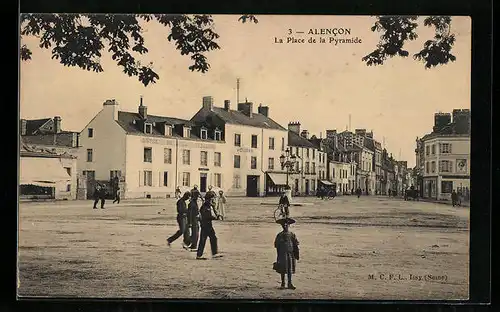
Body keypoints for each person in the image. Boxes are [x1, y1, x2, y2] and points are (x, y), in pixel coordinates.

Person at [273, 217, 300, 290]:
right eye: (283, 225)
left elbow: (296, 244)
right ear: (282, 226)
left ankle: (290, 283)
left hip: (290, 254)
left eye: (286, 225)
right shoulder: (280, 235)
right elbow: (276, 244)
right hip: (282, 254)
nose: (285, 226)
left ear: (289, 226)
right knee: (282, 268)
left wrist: (296, 253)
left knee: (290, 269)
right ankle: (283, 283)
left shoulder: (292, 234)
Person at [196, 193, 223, 260]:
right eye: (212, 198)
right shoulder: (205, 206)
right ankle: (199, 255)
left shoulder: (207, 205)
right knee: (203, 240)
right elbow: (207, 216)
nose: (213, 200)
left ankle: (214, 253)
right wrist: (215, 218)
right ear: (209, 199)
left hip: (208, 225)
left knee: (213, 238)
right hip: (206, 226)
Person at [187, 185, 202, 251]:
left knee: (195, 233)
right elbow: (190, 213)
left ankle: (193, 245)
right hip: (194, 219)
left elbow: (192, 213)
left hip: (194, 219)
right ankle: (193, 245)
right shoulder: (193, 203)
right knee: (195, 233)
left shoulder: (193, 203)